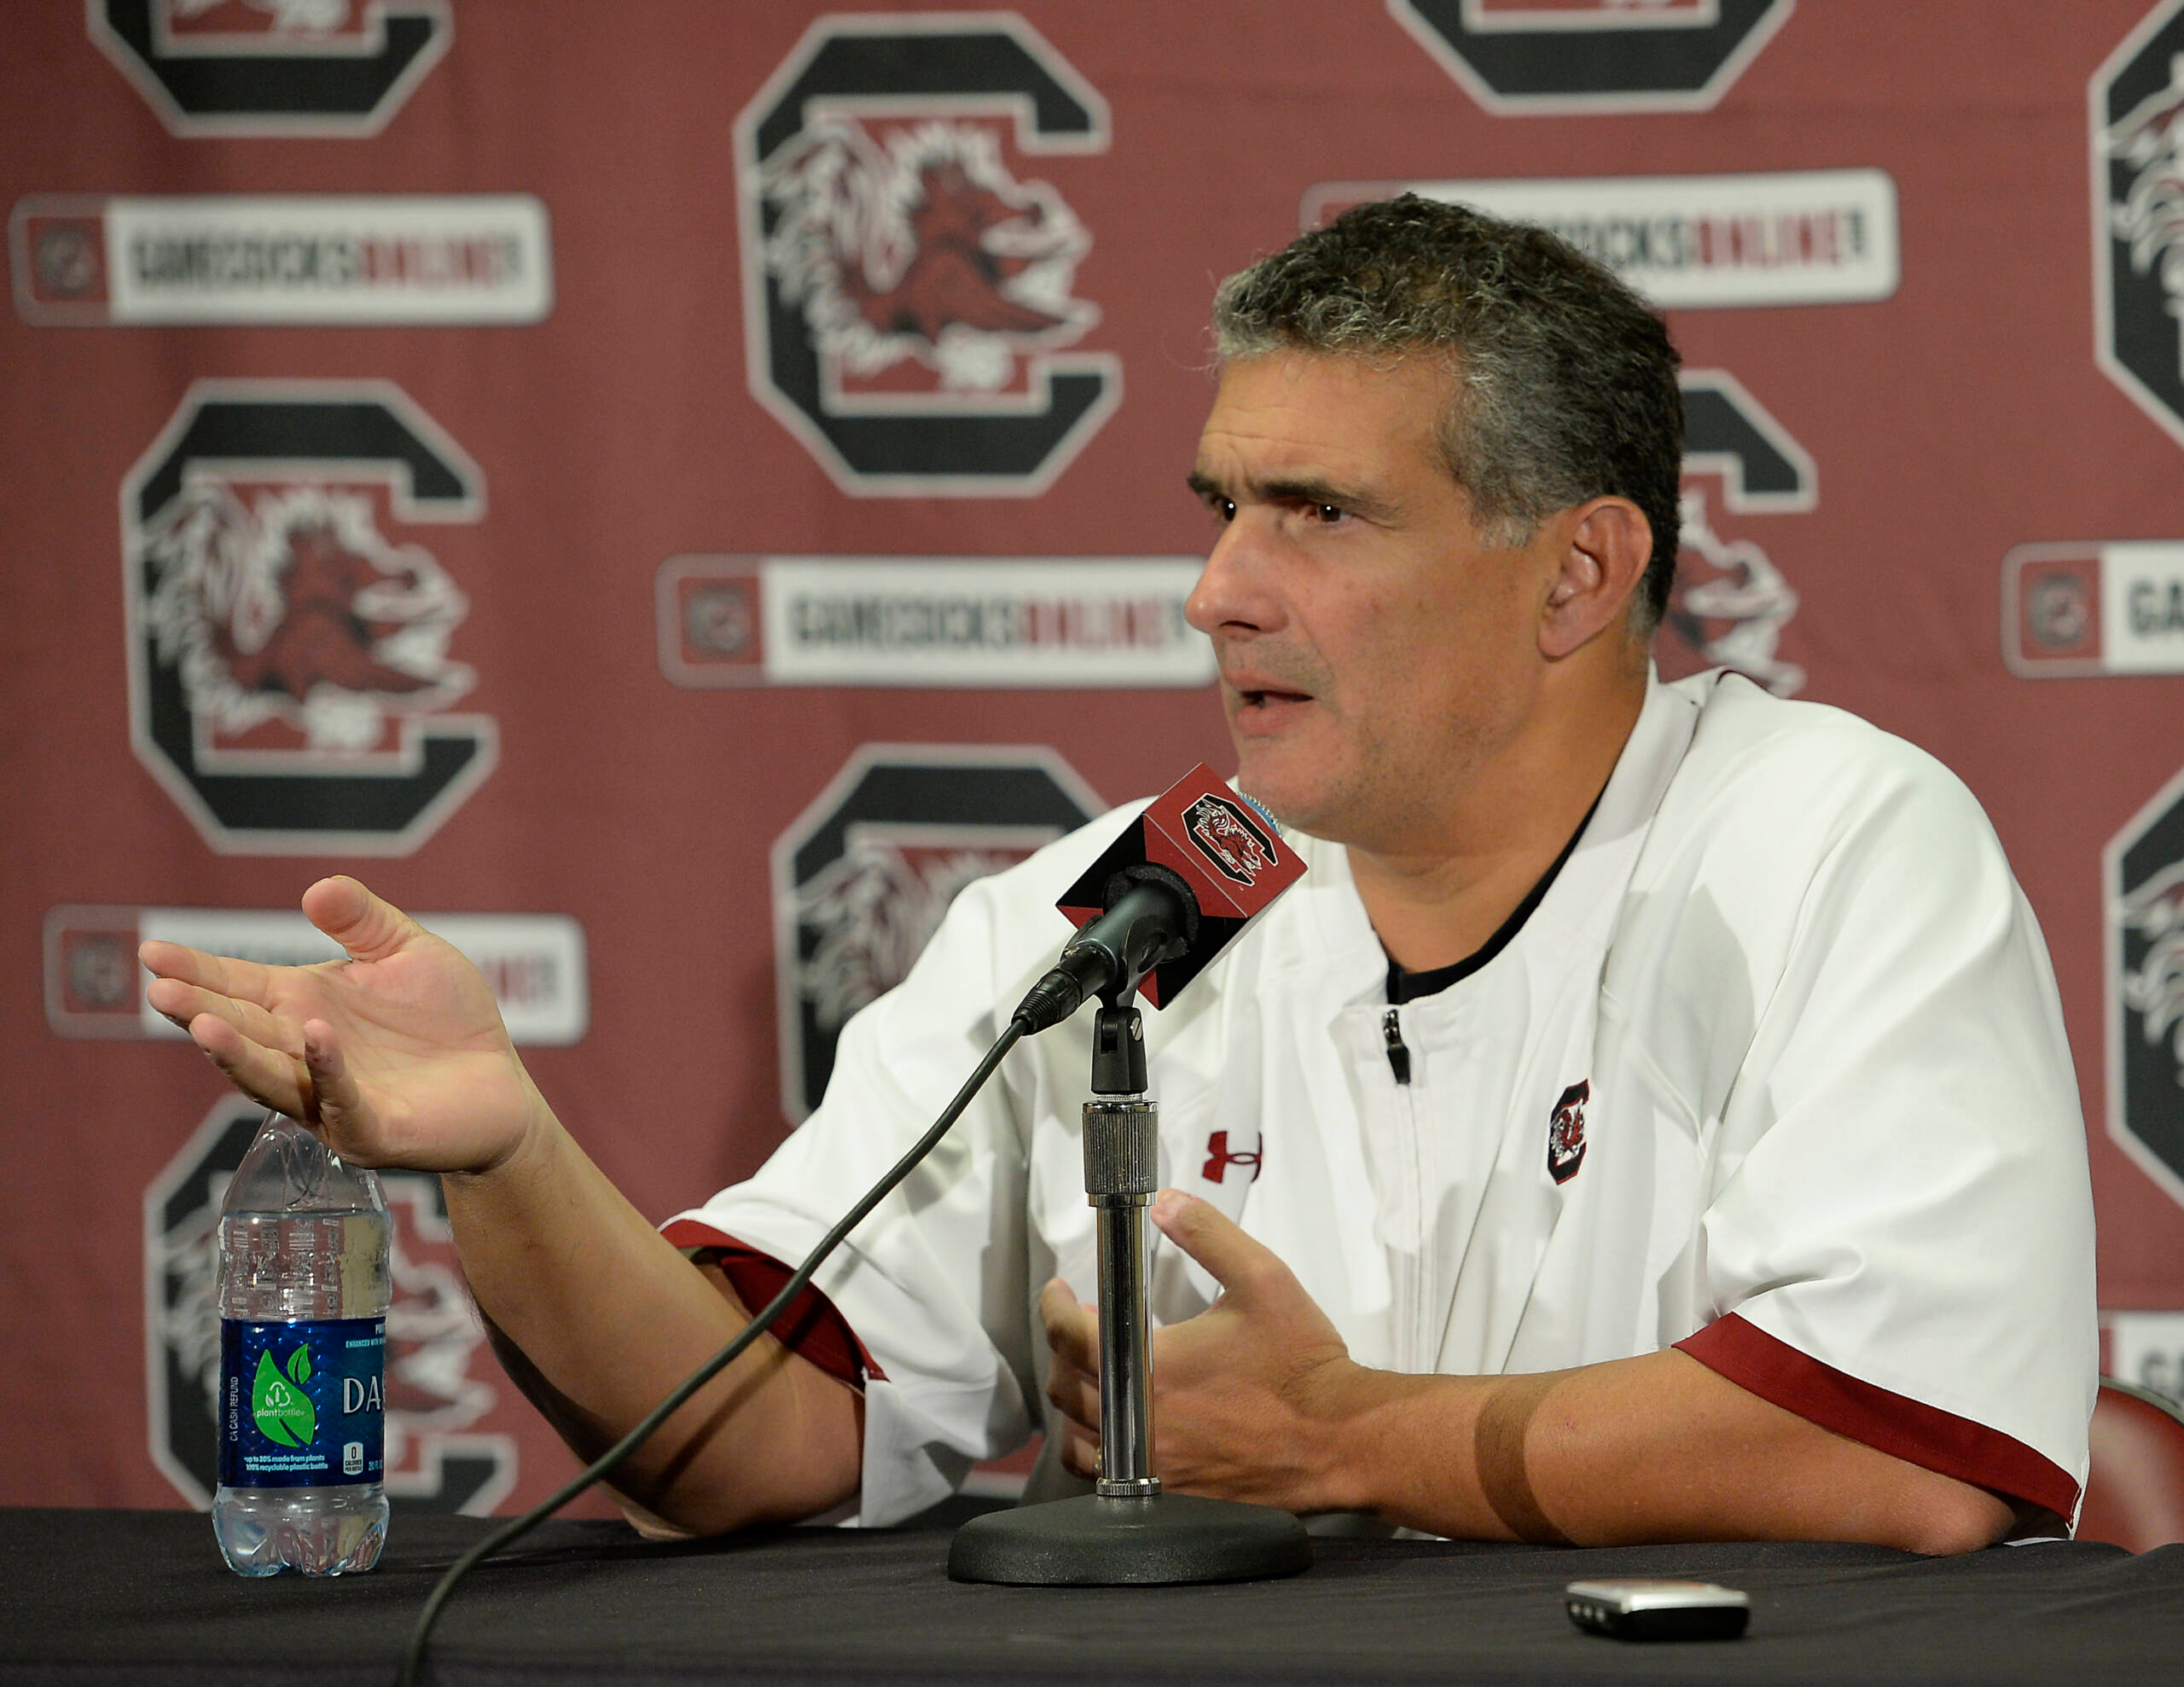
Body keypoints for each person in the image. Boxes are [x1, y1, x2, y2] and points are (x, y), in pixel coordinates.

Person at [142, 196, 2095, 1552]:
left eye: (1317, 511)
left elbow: (1901, 1444)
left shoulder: (1826, 837)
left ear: (1575, 572)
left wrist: (1337, 1441)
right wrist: (509, 1160)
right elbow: (753, 1428)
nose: (1215, 587)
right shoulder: (1134, 906)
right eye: (1219, 504)